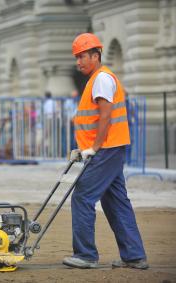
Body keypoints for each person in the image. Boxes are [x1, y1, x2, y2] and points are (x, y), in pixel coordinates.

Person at [63, 33, 148, 269]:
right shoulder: (96, 79)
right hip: (110, 148)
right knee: (116, 201)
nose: (78, 62)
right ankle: (134, 256)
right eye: (76, 57)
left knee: (82, 196)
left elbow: (106, 115)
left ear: (96, 55)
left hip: (106, 149)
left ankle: (85, 255)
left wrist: (94, 148)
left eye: (82, 56)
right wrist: (84, 147)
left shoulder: (101, 79)